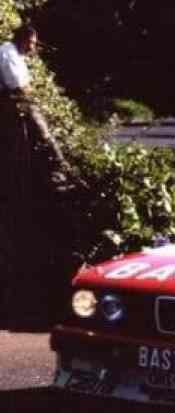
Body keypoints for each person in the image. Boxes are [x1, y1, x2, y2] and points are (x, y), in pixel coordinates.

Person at [0, 24, 71, 328]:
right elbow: (18, 88)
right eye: (32, 42)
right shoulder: (7, 53)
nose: (34, 47)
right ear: (22, 39)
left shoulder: (17, 55)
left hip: (17, 105)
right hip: (9, 111)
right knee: (34, 129)